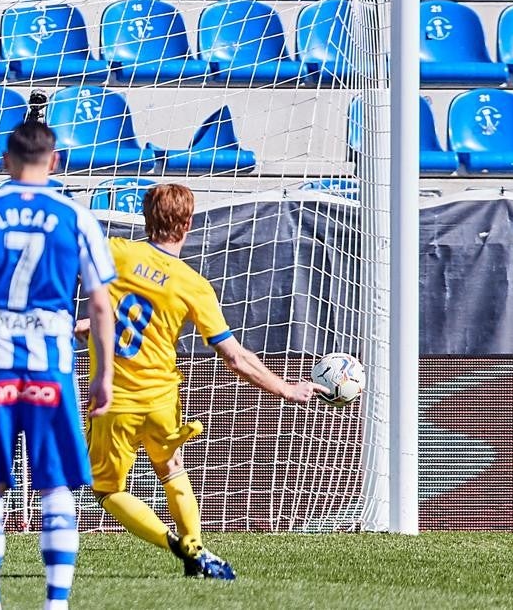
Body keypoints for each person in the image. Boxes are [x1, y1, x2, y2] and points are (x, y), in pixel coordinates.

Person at [75, 183, 327, 580]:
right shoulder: (193, 284)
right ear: (188, 223)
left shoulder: (115, 251)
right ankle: (195, 543)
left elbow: (118, 308)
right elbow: (235, 357)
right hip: (161, 400)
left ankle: (175, 544)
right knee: (171, 467)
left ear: (145, 216)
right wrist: (286, 388)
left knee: (108, 491)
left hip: (115, 400)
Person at [0, 120, 116, 610]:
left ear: (6, 161)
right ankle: (55, 603)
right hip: (51, 365)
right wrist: (104, 373)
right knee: (56, 485)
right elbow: (99, 305)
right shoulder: (76, 216)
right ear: (54, 162)